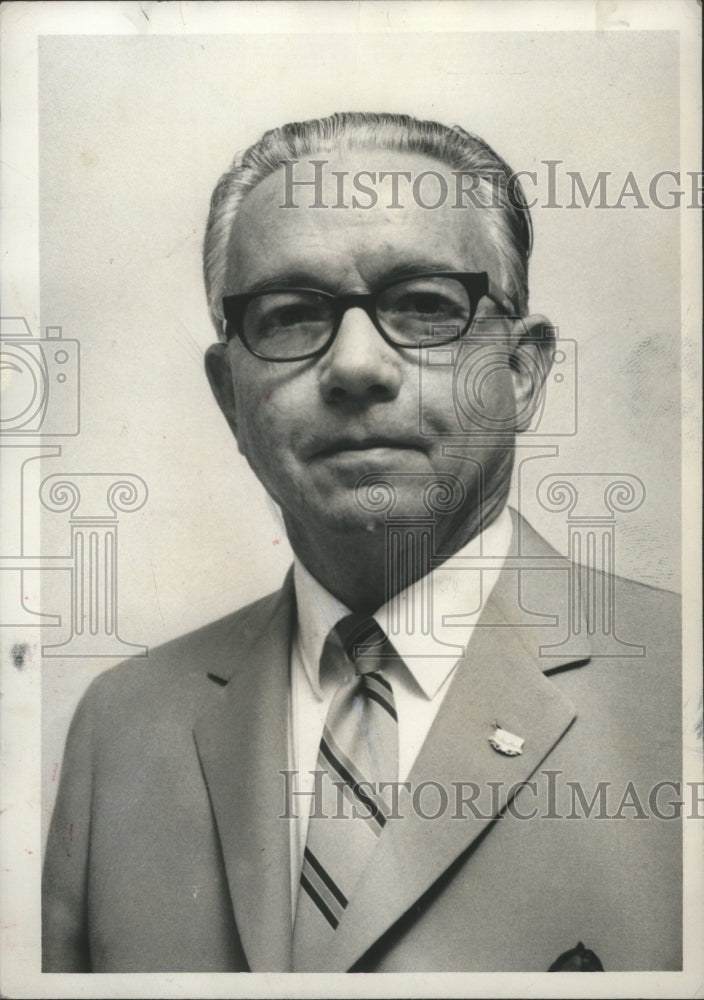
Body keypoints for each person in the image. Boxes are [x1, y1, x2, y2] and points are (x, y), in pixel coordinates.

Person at [42, 112, 681, 973]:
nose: (355, 366)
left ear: (523, 375)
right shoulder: (119, 728)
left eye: (423, 307)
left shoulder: (684, 689)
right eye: (292, 315)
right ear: (231, 396)